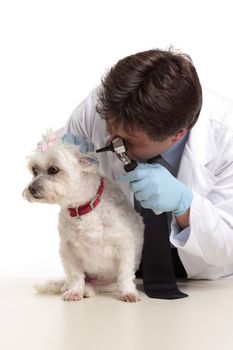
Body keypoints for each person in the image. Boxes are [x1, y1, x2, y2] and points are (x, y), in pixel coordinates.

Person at [60, 48, 233, 281]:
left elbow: (227, 246)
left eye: (128, 141)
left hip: (200, 276)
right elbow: (63, 184)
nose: (112, 143)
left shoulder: (226, 134)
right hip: (116, 268)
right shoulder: (97, 108)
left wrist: (185, 206)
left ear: (177, 134)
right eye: (110, 130)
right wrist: (62, 159)